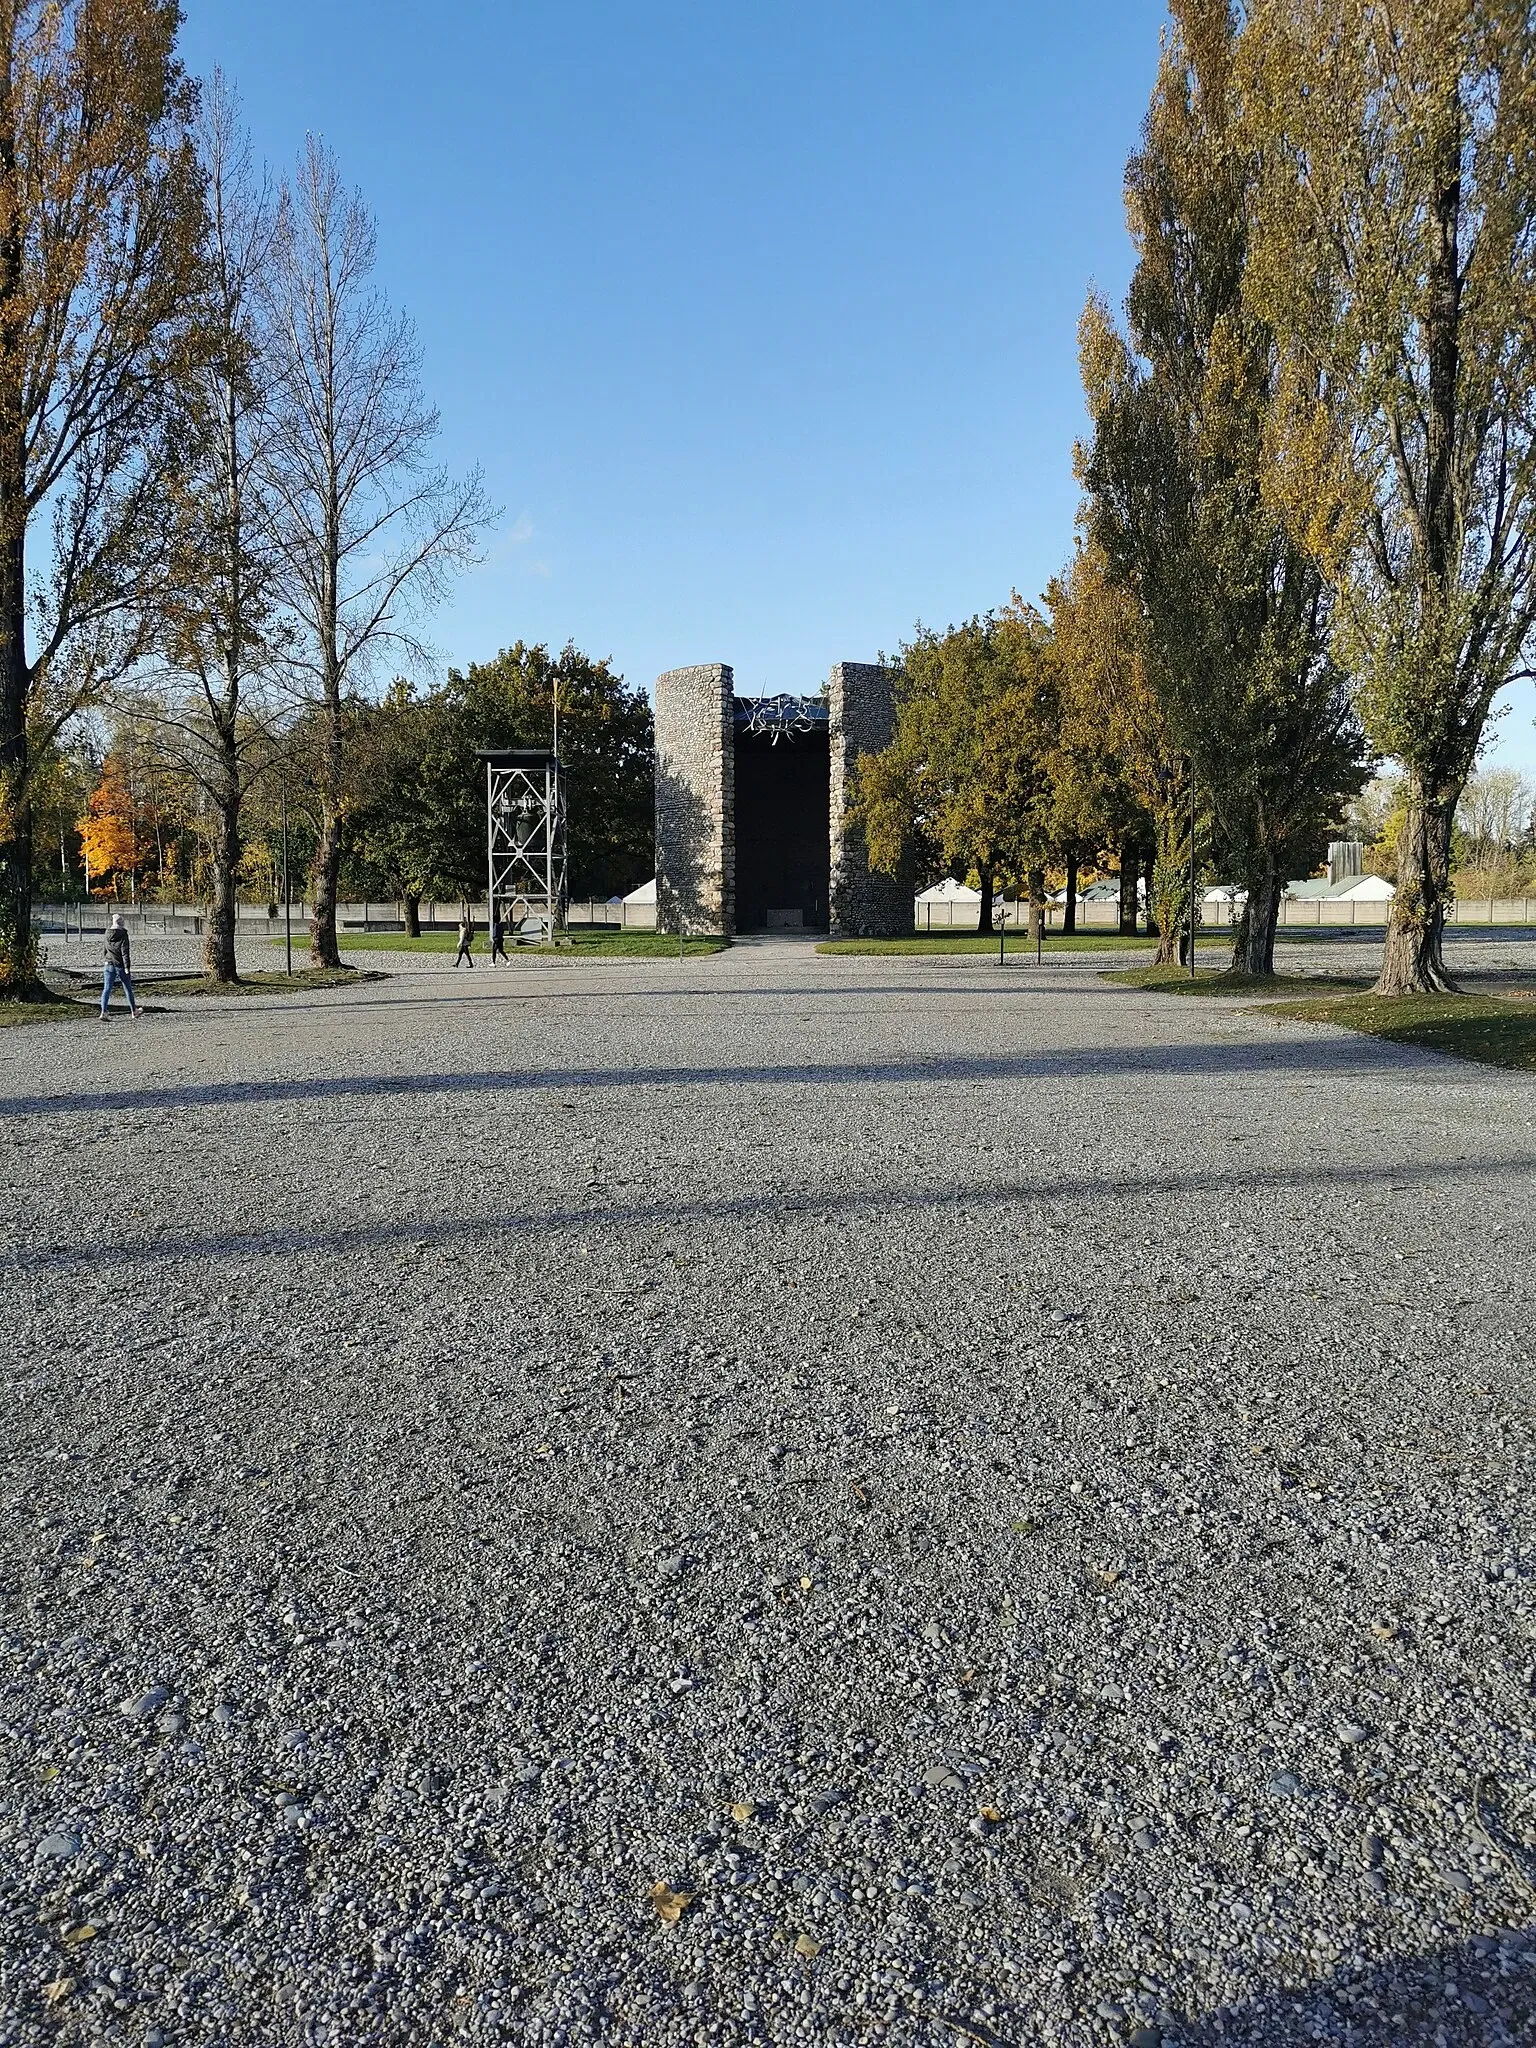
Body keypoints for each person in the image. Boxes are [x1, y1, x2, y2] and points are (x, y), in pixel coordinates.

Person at [99, 912, 141, 1020]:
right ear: (121, 923)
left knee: (107, 989)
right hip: (120, 965)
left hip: (108, 963)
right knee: (127, 988)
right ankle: (133, 1011)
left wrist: (105, 959)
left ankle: (103, 1011)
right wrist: (127, 966)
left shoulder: (107, 933)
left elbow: (105, 948)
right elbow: (125, 952)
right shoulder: (123, 934)